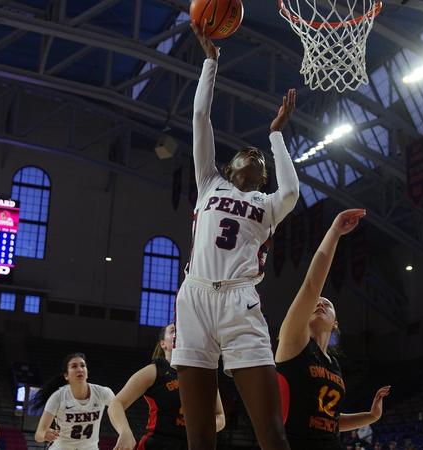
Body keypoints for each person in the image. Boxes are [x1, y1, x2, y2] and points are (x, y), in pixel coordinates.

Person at [171, 20, 300, 450]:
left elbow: (293, 190)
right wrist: (211, 64)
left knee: (272, 432)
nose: (255, 155)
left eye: (260, 158)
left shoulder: (268, 205)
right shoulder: (209, 182)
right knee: (199, 436)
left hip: (241, 302)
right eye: (250, 153)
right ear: (228, 168)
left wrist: (276, 136)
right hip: (194, 296)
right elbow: (200, 117)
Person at [275, 209, 390, 449]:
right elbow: (311, 286)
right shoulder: (294, 340)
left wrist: (371, 416)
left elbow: (331, 420)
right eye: (316, 302)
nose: (319, 303)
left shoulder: (333, 365)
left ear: (335, 322)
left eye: (326, 304)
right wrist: (334, 233)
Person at [108, 323, 225, 450]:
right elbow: (116, 403)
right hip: (159, 443)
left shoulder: (203, 373)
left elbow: (220, 416)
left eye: (182, 329)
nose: (179, 332)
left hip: (192, 444)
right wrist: (125, 432)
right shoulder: (154, 371)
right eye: (173, 330)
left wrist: (203, 427)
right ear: (163, 344)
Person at [31, 353, 115, 450]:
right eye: (74, 366)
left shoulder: (102, 392)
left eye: (83, 365)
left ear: (87, 372)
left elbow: (118, 408)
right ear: (66, 375)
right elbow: (38, 435)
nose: (80, 369)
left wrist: (124, 431)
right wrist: (44, 435)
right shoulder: (57, 397)